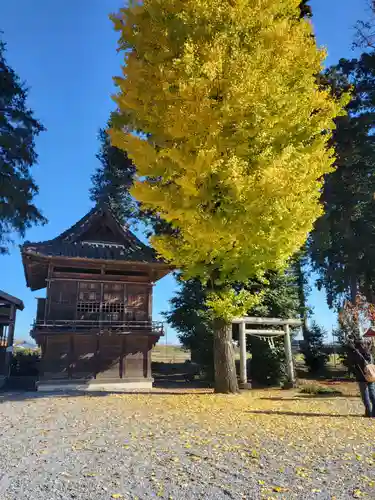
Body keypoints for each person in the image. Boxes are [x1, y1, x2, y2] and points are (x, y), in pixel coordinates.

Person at [348, 338, 375, 417]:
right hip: (371, 376)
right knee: (373, 394)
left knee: (365, 395)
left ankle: (368, 412)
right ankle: (374, 413)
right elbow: (372, 363)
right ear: (363, 344)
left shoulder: (355, 353)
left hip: (361, 377)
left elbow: (350, 363)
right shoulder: (368, 352)